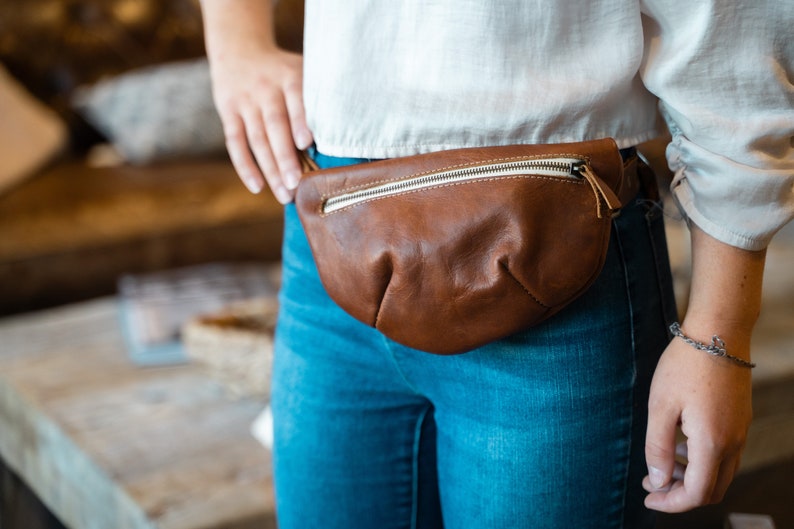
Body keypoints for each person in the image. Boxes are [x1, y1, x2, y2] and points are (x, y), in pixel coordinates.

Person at [198, 1, 793, 528]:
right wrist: (235, 45)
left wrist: (719, 328)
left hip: (558, 273)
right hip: (330, 242)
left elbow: (734, 52)